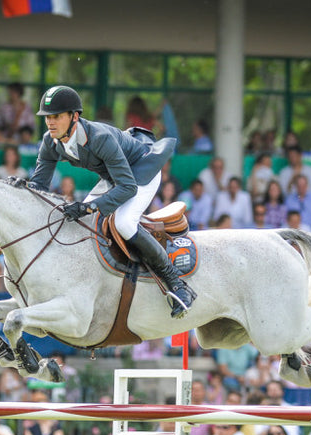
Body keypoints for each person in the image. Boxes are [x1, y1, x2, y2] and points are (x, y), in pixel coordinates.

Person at [22, 85, 193, 318]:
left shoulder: (99, 138)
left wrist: (88, 207)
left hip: (142, 171)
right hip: (114, 176)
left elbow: (128, 188)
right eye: (47, 117)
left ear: (74, 117)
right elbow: (39, 186)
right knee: (81, 224)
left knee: (124, 223)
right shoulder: (50, 141)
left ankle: (177, 284)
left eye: (56, 116)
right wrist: (22, 189)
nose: (50, 123)